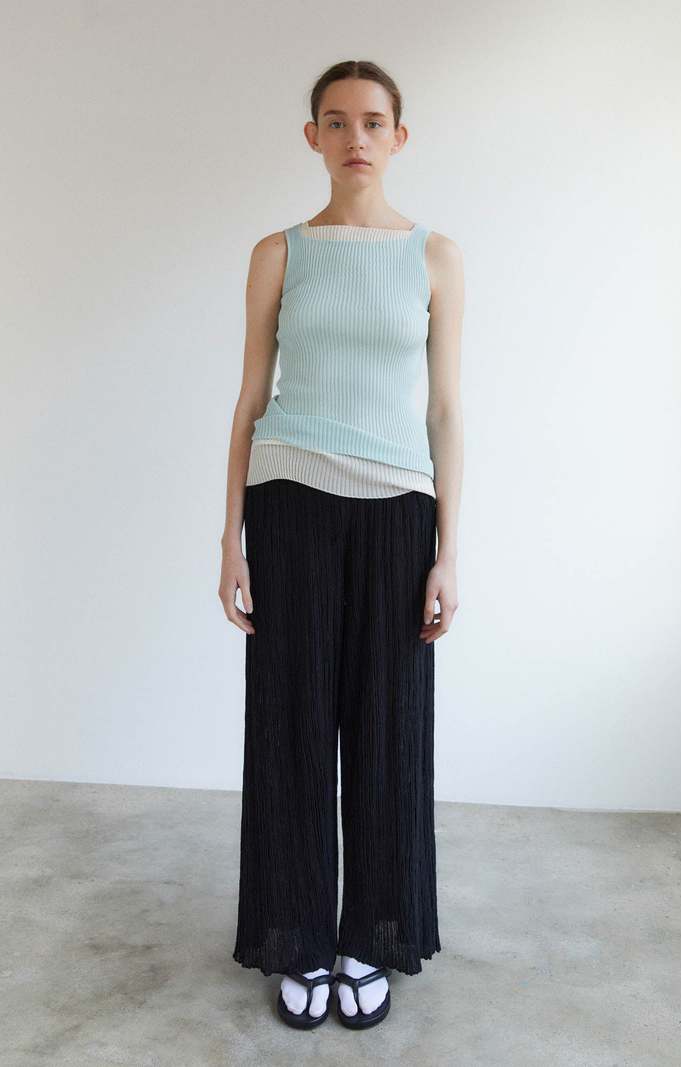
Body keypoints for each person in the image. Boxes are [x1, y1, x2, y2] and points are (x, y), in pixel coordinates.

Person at [219, 58, 464, 1030]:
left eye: (371, 121)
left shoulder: (435, 256)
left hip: (398, 509)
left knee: (387, 726)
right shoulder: (278, 252)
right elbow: (248, 399)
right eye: (335, 120)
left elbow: (445, 411)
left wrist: (449, 548)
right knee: (291, 724)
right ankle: (299, 937)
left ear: (398, 136)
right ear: (312, 136)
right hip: (288, 500)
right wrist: (229, 538)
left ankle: (373, 932)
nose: (354, 137)